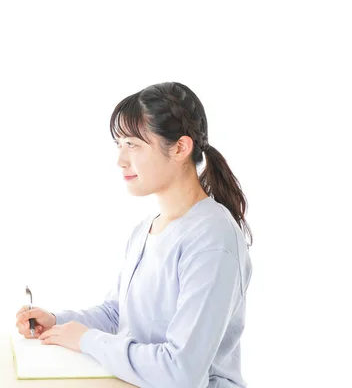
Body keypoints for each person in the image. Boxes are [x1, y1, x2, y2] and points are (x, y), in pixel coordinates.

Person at [15, 82, 253, 388]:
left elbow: (181, 372)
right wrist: (57, 321)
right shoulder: (147, 229)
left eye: (134, 145)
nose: (121, 160)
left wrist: (87, 340)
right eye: (119, 144)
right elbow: (118, 316)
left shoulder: (213, 240)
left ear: (180, 148)